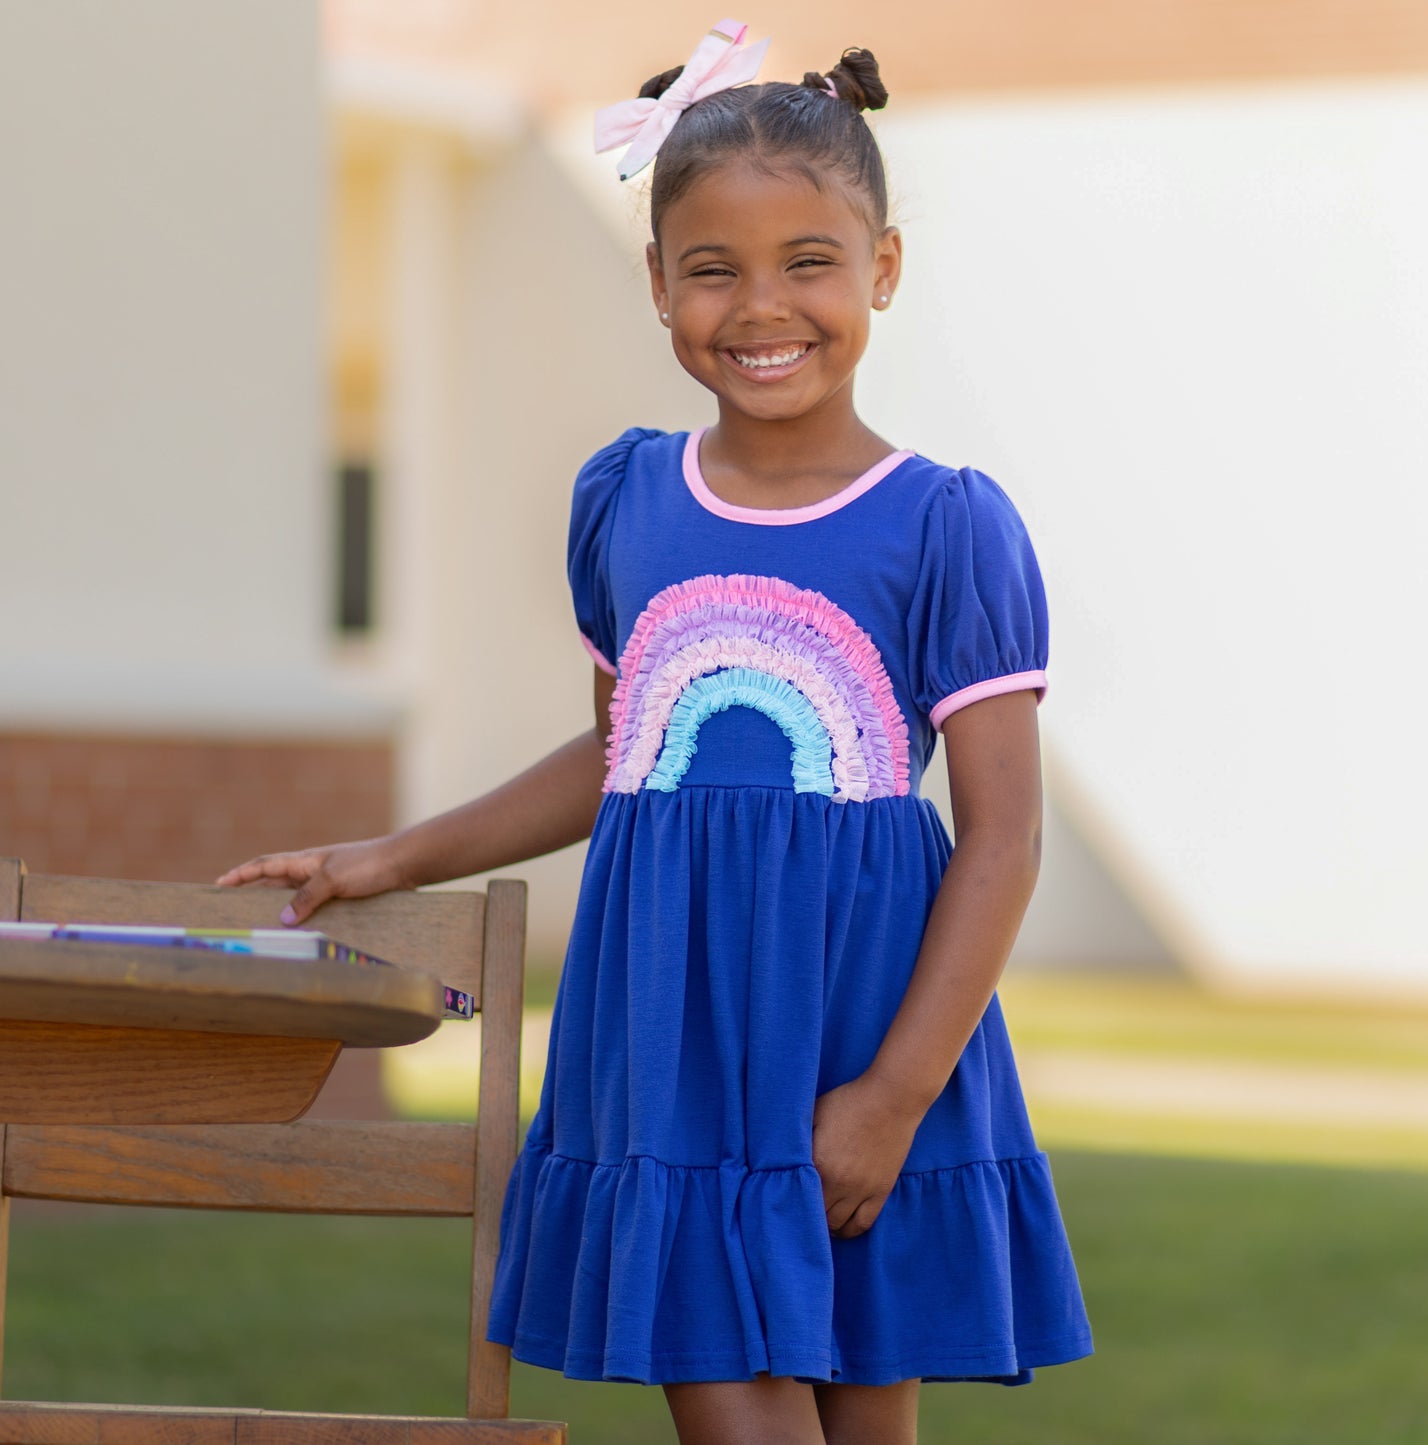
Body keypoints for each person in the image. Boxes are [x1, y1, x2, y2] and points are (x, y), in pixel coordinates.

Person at [219, 20, 1092, 1444]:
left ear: (880, 266)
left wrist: (891, 1095)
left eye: (809, 261)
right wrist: (397, 855)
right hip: (672, 1035)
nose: (762, 306)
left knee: (862, 1419)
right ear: (657, 284)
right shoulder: (625, 502)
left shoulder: (946, 525)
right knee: (733, 1405)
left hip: (864, 1027)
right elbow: (627, 752)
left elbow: (1004, 835)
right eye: (713, 268)